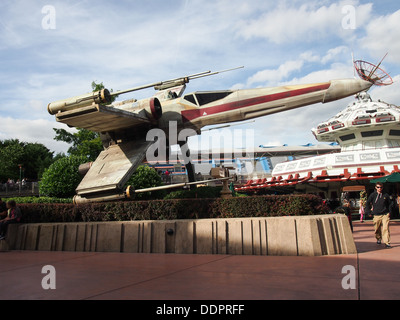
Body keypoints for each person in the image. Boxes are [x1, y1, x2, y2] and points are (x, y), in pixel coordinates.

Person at [366, 182, 391, 248]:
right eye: (378, 187)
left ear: (383, 187)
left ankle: (387, 243)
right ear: (375, 187)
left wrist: (389, 212)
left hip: (385, 214)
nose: (379, 189)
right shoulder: (373, 195)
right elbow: (368, 203)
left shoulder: (385, 195)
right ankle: (378, 238)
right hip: (376, 214)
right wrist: (368, 212)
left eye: (381, 187)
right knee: (377, 229)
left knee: (385, 228)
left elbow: (390, 203)